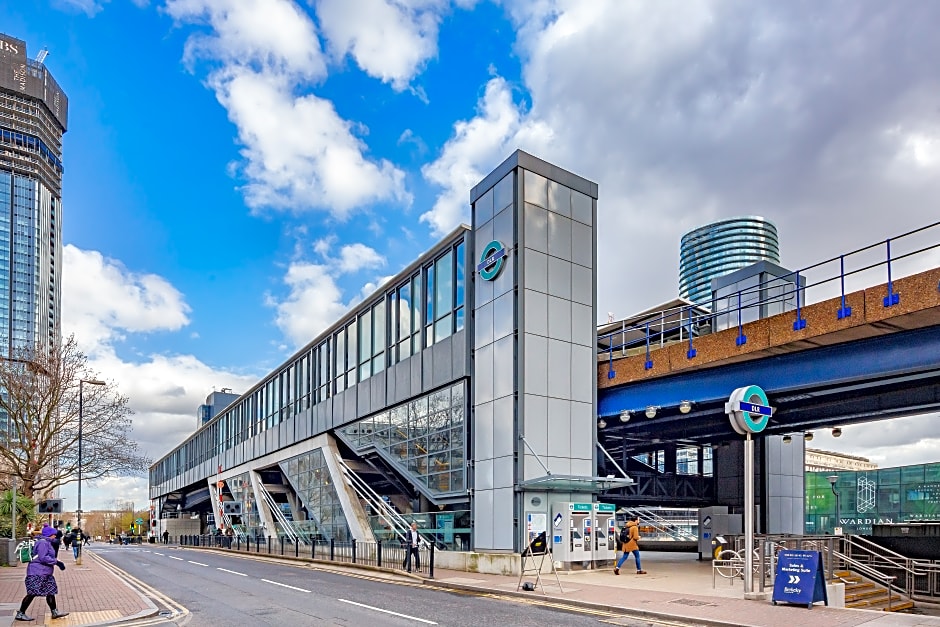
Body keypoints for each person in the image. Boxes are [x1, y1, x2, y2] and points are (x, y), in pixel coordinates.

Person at [15, 525, 69, 621]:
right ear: (49, 535)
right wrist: (57, 562)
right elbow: (42, 557)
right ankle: (21, 613)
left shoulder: (46, 542)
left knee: (50, 592)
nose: (55, 537)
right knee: (32, 593)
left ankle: (54, 612)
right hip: (37, 572)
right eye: (54, 535)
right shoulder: (43, 543)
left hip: (45, 572)